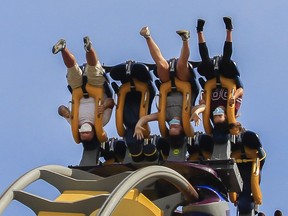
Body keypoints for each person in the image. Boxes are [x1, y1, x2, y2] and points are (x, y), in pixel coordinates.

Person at [134, 26, 201, 141]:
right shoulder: (187, 115)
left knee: (161, 64)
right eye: (176, 127)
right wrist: (197, 113)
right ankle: (186, 40)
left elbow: (145, 118)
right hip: (184, 82)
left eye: (170, 127)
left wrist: (138, 126)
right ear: (182, 128)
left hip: (167, 84)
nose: (172, 125)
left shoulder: (165, 116)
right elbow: (203, 106)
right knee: (181, 64)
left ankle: (147, 36)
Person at [52, 37, 114, 148]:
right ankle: (89, 48)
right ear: (93, 133)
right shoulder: (102, 121)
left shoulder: (74, 123)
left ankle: (63, 48)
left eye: (82, 133)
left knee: (72, 70)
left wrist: (64, 112)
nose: (84, 132)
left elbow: (60, 109)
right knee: (93, 69)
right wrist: (104, 106)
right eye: (86, 133)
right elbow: (111, 102)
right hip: (97, 86)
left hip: (78, 88)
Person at [196, 17, 244, 118]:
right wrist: (234, 97)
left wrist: (201, 102)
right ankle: (229, 30)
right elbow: (241, 90)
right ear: (225, 116)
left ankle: (199, 31)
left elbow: (204, 98)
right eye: (219, 115)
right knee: (226, 60)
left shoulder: (211, 107)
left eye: (215, 115)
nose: (217, 113)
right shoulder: (232, 108)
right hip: (227, 75)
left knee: (205, 61)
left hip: (212, 78)